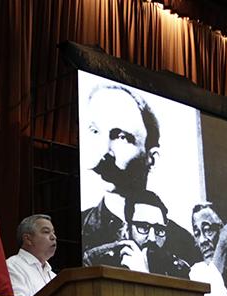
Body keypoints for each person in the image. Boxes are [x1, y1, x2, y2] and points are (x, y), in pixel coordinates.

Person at [80, 84, 199, 265]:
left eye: (121, 137)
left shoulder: (183, 242)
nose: (104, 151)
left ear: (151, 158)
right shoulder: (77, 228)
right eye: (95, 131)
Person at [83, 190, 190, 277]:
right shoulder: (96, 261)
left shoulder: (178, 269)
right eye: (143, 227)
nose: (152, 238)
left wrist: (143, 274)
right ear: (127, 229)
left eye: (159, 230)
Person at [188, 203, 227, 296]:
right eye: (197, 234)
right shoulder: (197, 272)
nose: (202, 241)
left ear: (225, 230)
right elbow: (212, 294)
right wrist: (221, 246)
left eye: (208, 230)